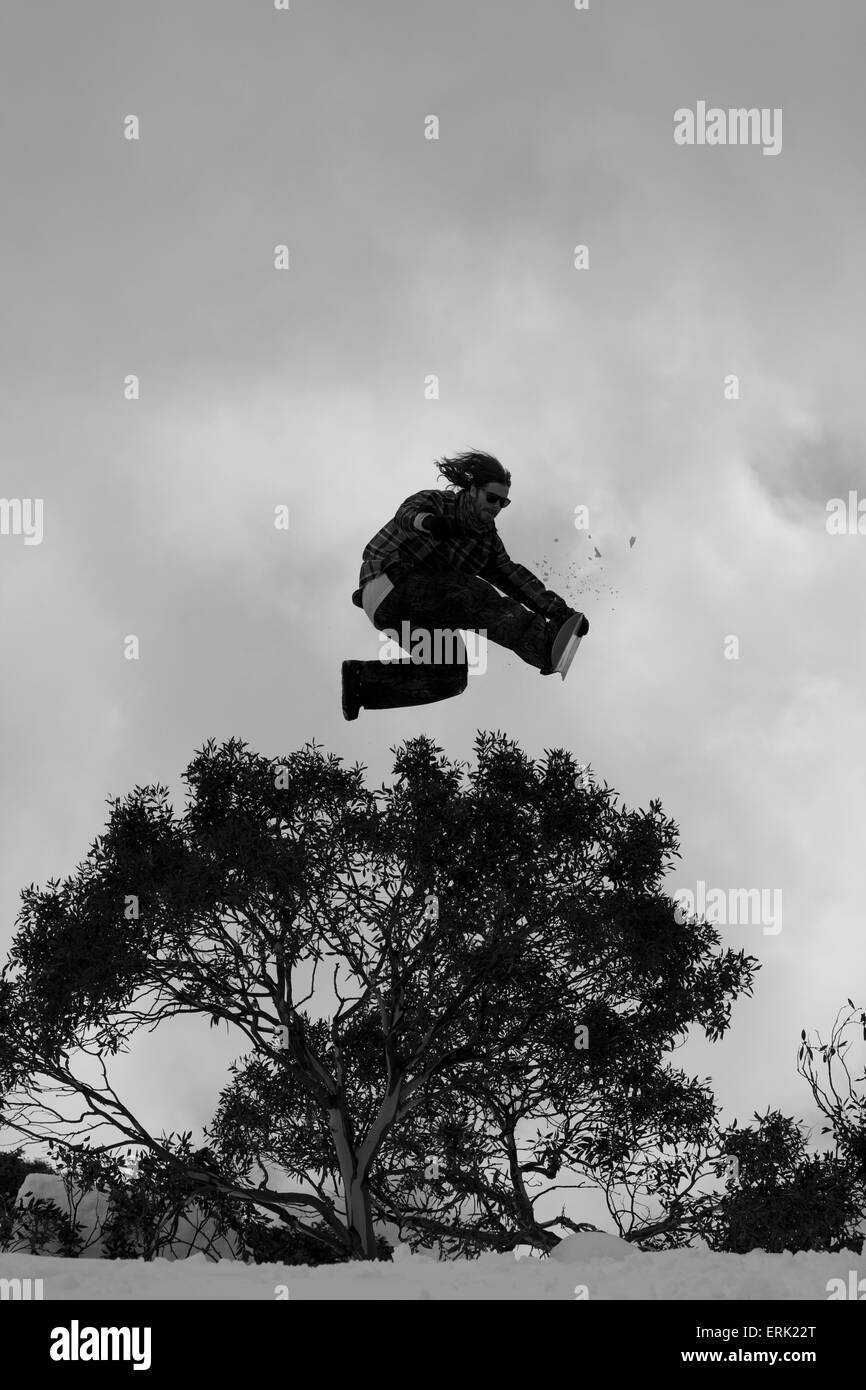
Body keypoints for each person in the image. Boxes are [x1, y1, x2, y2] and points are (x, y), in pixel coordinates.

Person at [341, 450, 588, 719]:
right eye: (490, 498)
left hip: (413, 617)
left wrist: (562, 613)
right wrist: (430, 523)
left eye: (502, 503)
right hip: (390, 587)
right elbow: (406, 514)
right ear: (472, 490)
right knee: (472, 594)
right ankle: (542, 644)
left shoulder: (487, 543)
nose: (495, 507)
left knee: (451, 674)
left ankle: (361, 683)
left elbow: (514, 578)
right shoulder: (438, 502)